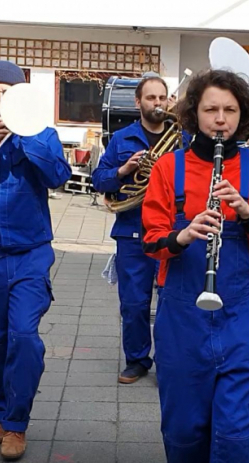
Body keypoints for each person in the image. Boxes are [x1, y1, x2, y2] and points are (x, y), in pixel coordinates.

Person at [142, 69, 249, 463]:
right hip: (182, 314)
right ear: (194, 114)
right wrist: (184, 235)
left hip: (241, 313)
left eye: (230, 109)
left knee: (235, 433)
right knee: (184, 430)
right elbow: (151, 243)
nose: (220, 119)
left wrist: (247, 212)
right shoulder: (167, 168)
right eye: (211, 110)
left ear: (243, 115)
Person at [0, 60, 71, 460]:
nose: (0, 99)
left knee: (23, 338)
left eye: (8, 92)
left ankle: (16, 423)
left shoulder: (43, 131)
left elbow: (59, 176)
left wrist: (24, 138)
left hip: (30, 254)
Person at [92, 74, 190, 384]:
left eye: (162, 98)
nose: (158, 103)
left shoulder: (182, 138)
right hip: (132, 231)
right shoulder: (122, 139)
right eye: (151, 98)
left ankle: (169, 361)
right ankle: (136, 360)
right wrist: (125, 170)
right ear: (138, 103)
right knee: (133, 303)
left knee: (171, 301)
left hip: (171, 229)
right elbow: (100, 180)